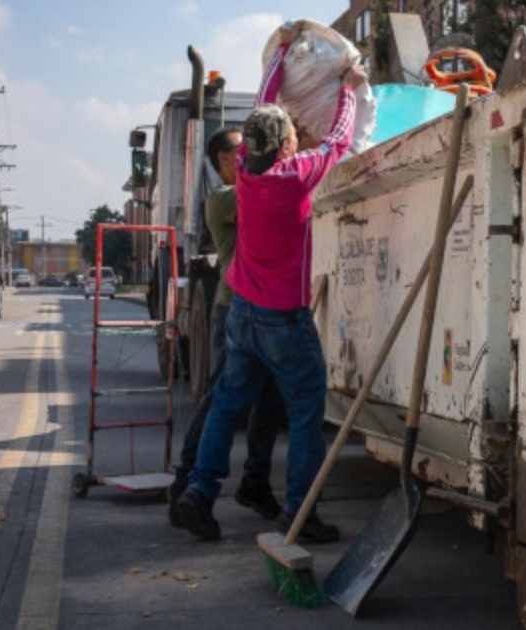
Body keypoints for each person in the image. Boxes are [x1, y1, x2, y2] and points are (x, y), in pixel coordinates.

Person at [175, 22, 367, 542]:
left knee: (227, 403)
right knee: (305, 413)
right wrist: (348, 89)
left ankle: (199, 491)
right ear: (285, 145)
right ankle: (299, 514)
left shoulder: (244, 168)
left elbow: (263, 101)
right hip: (283, 319)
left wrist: (281, 54)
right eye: (291, 136)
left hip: (242, 313)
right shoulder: (295, 177)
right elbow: (338, 139)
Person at [167, 126, 287, 527]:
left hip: (267, 309)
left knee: (269, 403)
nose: (252, 151)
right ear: (224, 159)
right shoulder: (222, 199)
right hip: (234, 308)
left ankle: (255, 482)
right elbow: (273, 191)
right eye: (242, 147)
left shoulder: (245, 188)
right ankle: (186, 485)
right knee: (222, 400)